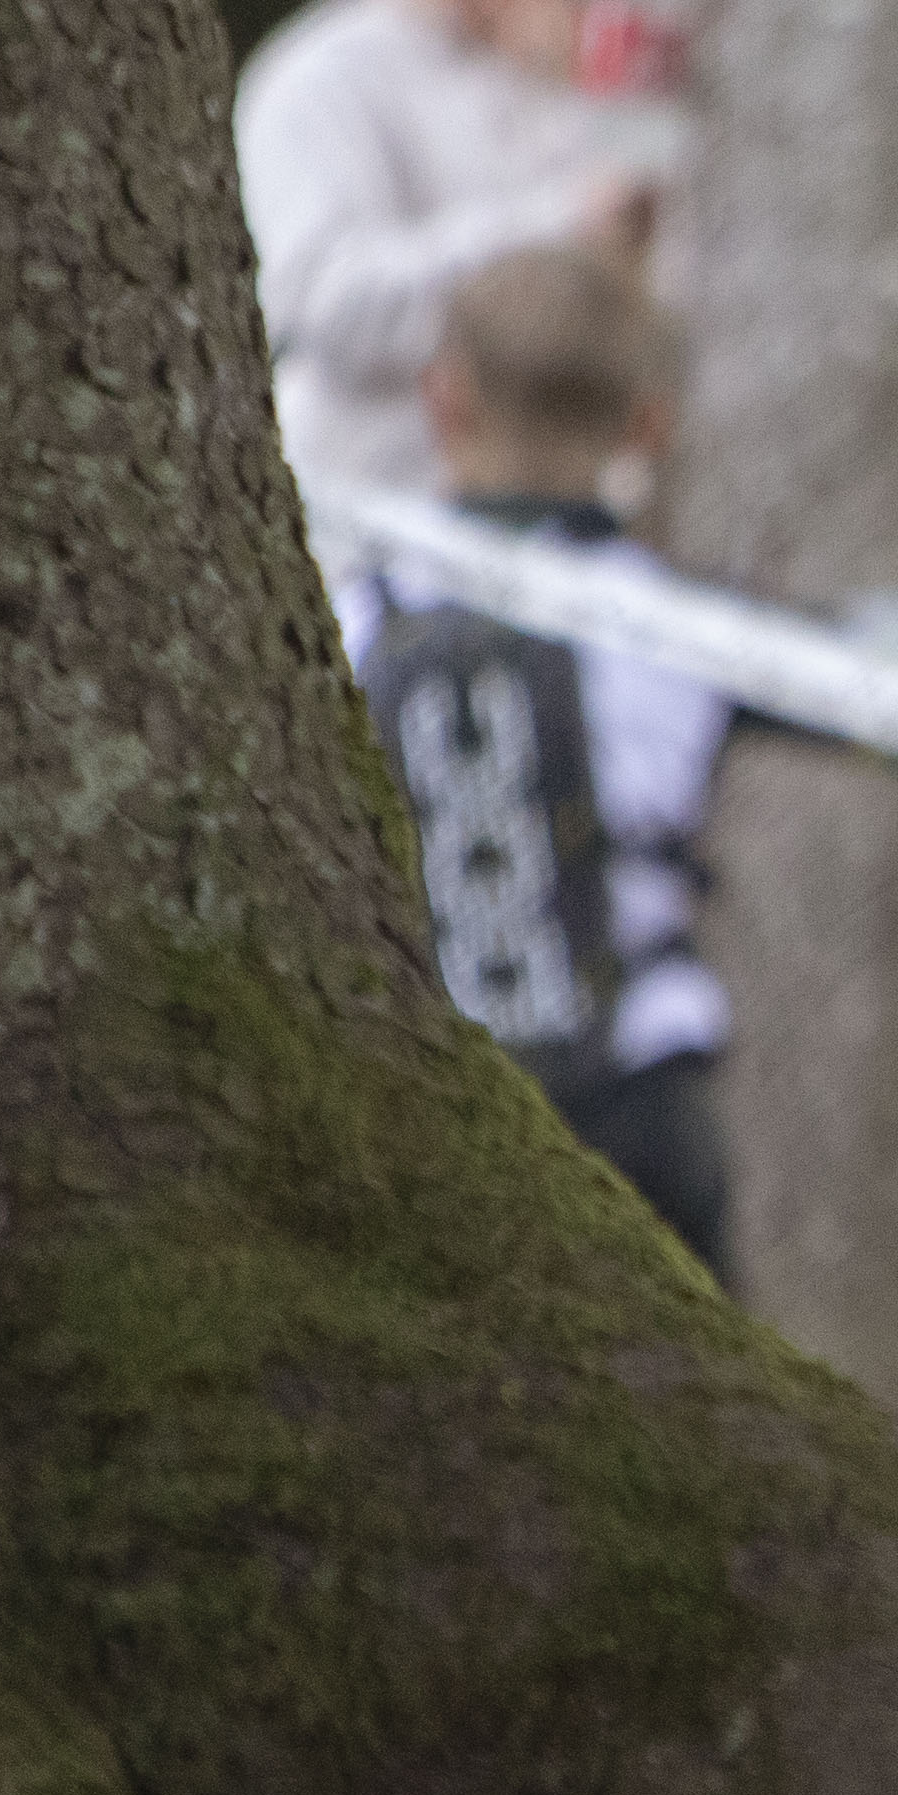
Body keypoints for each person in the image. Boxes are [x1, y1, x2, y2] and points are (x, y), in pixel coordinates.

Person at [339, 246, 740, 1280]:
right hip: (638, 1113)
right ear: (647, 425)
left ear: (442, 401)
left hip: (415, 1110)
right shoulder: (690, 629)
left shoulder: (352, 611)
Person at [234, 0, 680, 520]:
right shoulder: (322, 74)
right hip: (376, 515)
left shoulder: (550, 83)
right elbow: (329, 306)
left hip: (561, 514)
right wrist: (564, 219)